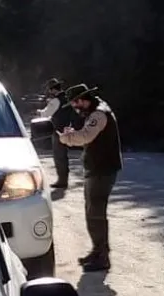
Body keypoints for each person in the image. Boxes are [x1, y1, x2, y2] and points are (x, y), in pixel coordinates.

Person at [58, 83, 123, 272]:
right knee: (91, 211)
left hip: (102, 170)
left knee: (96, 212)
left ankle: (102, 256)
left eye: (75, 103)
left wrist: (66, 138)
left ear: (82, 100)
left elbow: (85, 137)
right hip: (97, 168)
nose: (75, 108)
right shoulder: (95, 111)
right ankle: (98, 250)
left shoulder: (98, 114)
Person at [37, 78, 78, 188]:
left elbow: (46, 113)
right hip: (68, 129)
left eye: (50, 90)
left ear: (52, 90)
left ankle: (62, 181)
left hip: (58, 131)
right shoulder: (67, 98)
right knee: (63, 156)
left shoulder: (55, 101)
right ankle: (64, 179)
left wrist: (38, 112)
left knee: (59, 156)